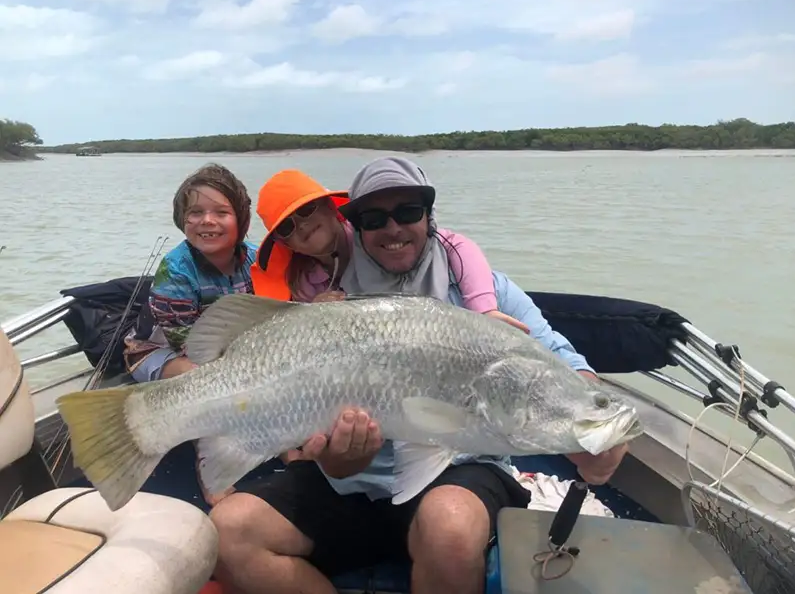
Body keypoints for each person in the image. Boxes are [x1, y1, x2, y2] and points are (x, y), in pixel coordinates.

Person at [210, 157, 627, 594]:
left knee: (449, 523)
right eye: (373, 219)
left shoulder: (487, 291)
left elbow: (567, 365)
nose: (392, 229)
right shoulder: (325, 301)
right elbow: (306, 426)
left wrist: (601, 429)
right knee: (229, 530)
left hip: (463, 469)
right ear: (356, 228)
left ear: (429, 217)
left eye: (408, 212)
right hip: (351, 481)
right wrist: (335, 458)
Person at [248, 167, 529, 332]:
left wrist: (485, 310)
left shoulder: (373, 233)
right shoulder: (302, 282)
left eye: (306, 210)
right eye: (287, 227)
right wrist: (311, 315)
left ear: (330, 207)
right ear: (283, 243)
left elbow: (453, 244)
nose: (303, 225)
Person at [122, 162, 257, 504]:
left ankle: (284, 448)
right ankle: (208, 464)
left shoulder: (255, 259)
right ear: (182, 219)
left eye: (221, 212)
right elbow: (188, 344)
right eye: (195, 212)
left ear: (241, 219)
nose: (207, 221)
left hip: (232, 349)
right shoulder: (175, 269)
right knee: (203, 379)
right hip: (160, 352)